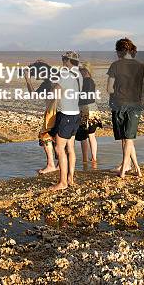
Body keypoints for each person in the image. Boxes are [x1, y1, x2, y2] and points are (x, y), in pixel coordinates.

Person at [107, 38, 144, 179]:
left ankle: (123, 170)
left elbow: (109, 88)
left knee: (125, 139)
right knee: (129, 139)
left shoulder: (115, 66)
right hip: (135, 104)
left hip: (118, 103)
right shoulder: (140, 66)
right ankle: (137, 169)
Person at [49, 51, 83, 191]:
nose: (62, 61)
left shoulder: (65, 74)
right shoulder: (78, 75)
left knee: (59, 148)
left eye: (63, 59)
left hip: (66, 115)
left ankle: (62, 182)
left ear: (68, 60)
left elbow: (57, 91)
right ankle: (70, 178)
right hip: (76, 114)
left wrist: (53, 86)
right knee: (71, 148)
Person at [24, 61, 58, 174]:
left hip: (52, 113)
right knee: (62, 138)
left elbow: (33, 95)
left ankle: (51, 164)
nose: (35, 77)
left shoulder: (48, 83)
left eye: (35, 74)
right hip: (68, 111)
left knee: (45, 136)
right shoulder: (58, 77)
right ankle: (61, 165)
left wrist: (27, 80)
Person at [75, 62, 102, 163]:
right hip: (92, 108)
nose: (80, 72)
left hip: (84, 109)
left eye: (81, 70)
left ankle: (85, 159)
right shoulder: (91, 81)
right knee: (91, 135)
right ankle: (93, 158)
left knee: (83, 136)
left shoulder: (84, 81)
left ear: (85, 70)